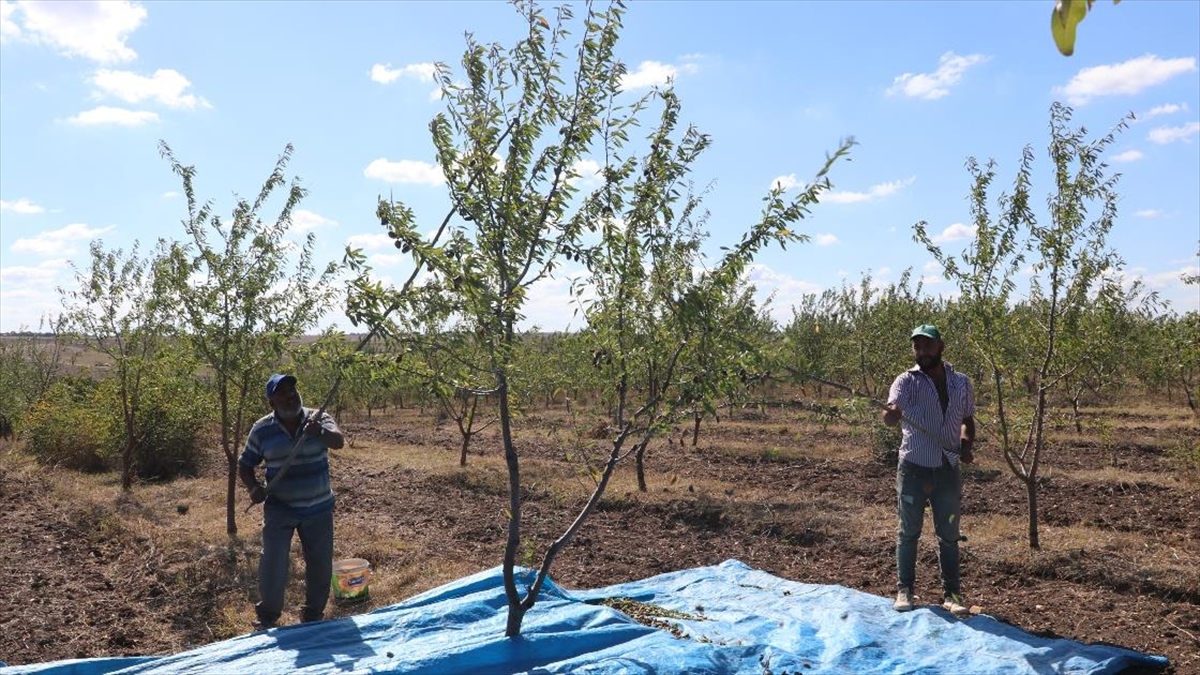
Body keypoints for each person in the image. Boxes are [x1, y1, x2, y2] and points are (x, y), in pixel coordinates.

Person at [238, 373, 345, 628]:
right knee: (273, 562)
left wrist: (319, 431)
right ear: (272, 402)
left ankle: (313, 615)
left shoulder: (317, 418)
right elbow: (245, 464)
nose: (290, 396)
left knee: (319, 563)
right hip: (280, 508)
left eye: (292, 390)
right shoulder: (262, 429)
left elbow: (338, 441)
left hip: (318, 508)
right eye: (282, 393)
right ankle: (267, 616)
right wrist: (253, 488)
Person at [882, 325, 975, 617]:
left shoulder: (961, 383)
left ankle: (952, 595)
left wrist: (966, 443)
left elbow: (968, 420)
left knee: (949, 535)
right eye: (917, 346)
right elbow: (890, 414)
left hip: (947, 468)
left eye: (927, 346)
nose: (922, 352)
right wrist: (892, 415)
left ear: (940, 347)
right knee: (908, 532)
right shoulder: (906, 382)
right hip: (914, 468)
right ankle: (905, 591)